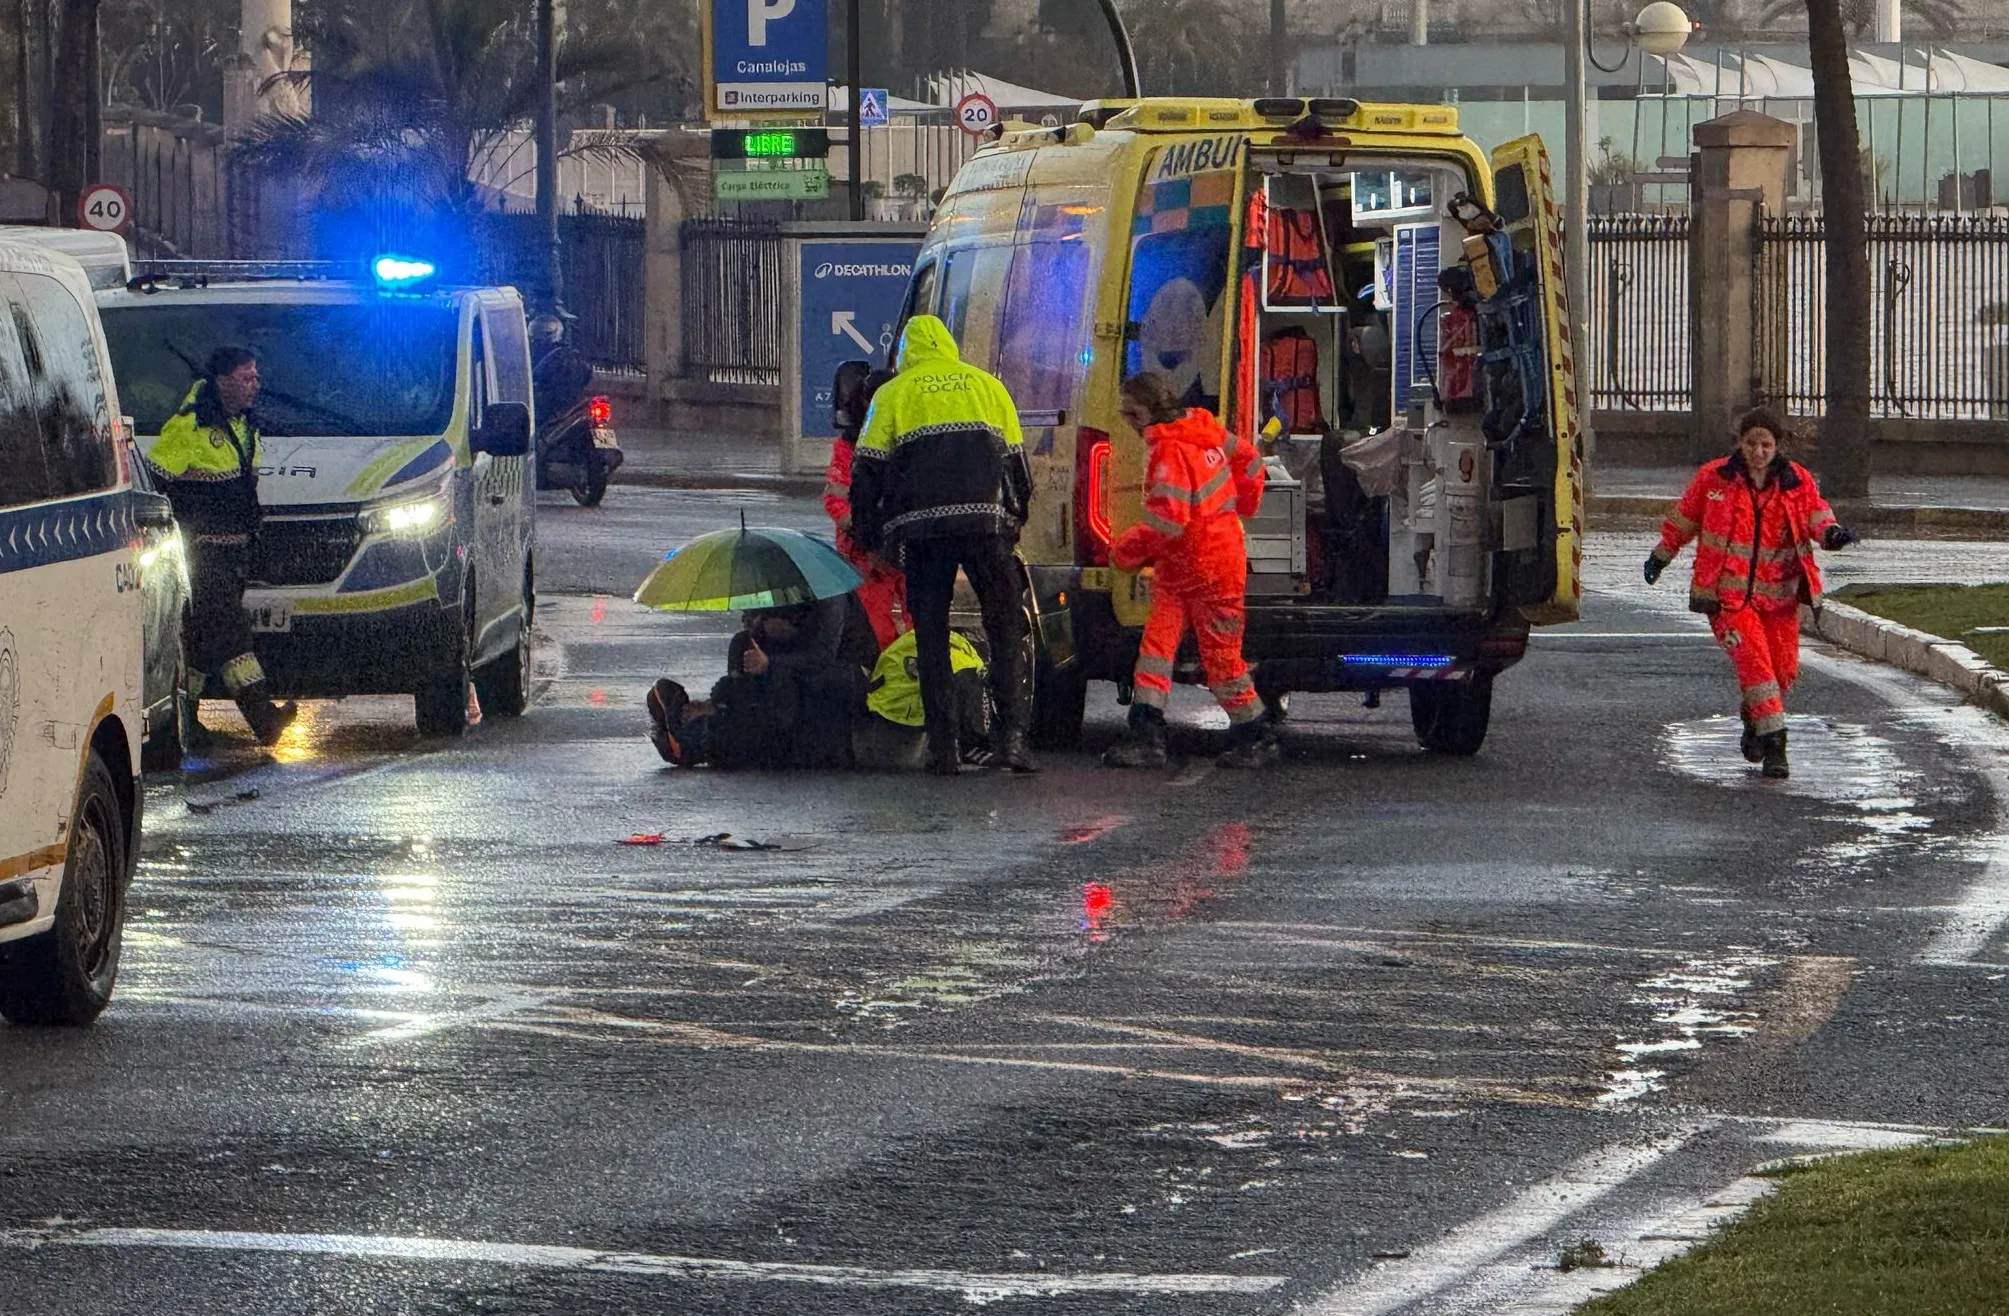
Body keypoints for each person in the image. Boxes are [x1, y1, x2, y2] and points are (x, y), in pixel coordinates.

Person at [848, 315, 1037, 776]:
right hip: (985, 527)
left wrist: (870, 538)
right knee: (1004, 628)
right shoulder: (989, 388)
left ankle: (943, 747)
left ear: (906, 352)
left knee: (930, 635)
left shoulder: (892, 394)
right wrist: (1012, 527)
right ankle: (1010, 739)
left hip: (923, 534)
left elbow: (865, 473)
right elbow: (1017, 470)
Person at [1645, 406, 1857, 780]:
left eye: (1765, 444)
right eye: (1751, 443)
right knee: (1757, 667)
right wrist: (1661, 557)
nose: (1758, 451)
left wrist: (1831, 534)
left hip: (1779, 599)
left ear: (1777, 446)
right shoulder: (1714, 479)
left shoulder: (1796, 482)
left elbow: (1815, 515)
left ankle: (1755, 719)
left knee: (1782, 671)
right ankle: (1776, 746)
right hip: (1729, 600)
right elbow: (1683, 520)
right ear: (1739, 444)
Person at [1103, 372, 1276, 770]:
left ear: (1150, 411)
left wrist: (1125, 552)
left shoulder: (1168, 450)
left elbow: (1169, 521)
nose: (1128, 422)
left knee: (1205, 660)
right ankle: (1152, 734)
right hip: (1211, 562)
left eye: (1132, 414)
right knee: (1164, 655)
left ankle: (1253, 735)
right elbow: (1250, 461)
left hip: (1195, 566)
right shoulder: (1206, 430)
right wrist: (1242, 508)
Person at [145, 346, 296, 745]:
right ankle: (264, 719)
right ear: (222, 381)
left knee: (200, 639)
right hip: (202, 554)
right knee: (232, 636)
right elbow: (155, 480)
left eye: (256, 377)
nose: (255, 386)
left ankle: (183, 719)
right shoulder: (190, 427)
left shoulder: (245, 425)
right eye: (247, 378)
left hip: (235, 552)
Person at [824, 361, 907, 649]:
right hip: (864, 552)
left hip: (895, 545)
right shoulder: (849, 447)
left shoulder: (866, 442)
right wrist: (866, 540)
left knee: (916, 621)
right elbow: (837, 499)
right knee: (873, 626)